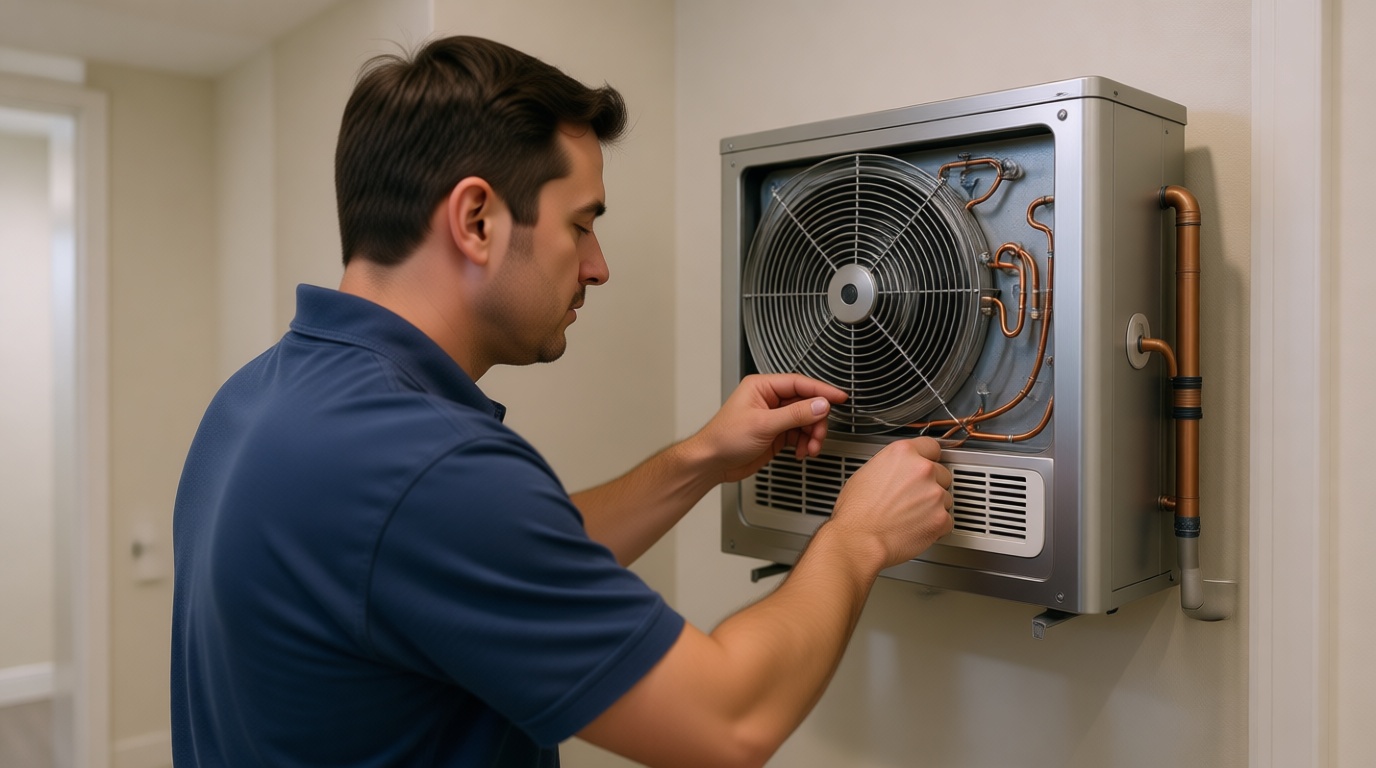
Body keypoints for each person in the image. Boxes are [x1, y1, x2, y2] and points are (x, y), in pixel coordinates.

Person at [171, 35, 954, 768]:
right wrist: (858, 538)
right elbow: (730, 719)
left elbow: (483, 564)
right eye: (581, 225)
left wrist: (696, 462)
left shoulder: (255, 402)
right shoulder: (426, 467)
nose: (599, 266)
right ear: (476, 219)